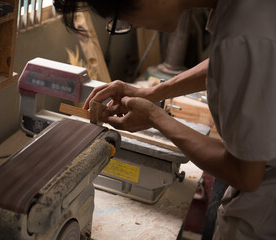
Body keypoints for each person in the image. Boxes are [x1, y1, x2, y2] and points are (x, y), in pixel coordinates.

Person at [54, 0, 276, 239]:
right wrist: (152, 92)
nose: (135, 26)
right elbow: (232, 61)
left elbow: (245, 173)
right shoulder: (243, 12)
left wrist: (155, 116)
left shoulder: (245, 33)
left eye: (123, 16)